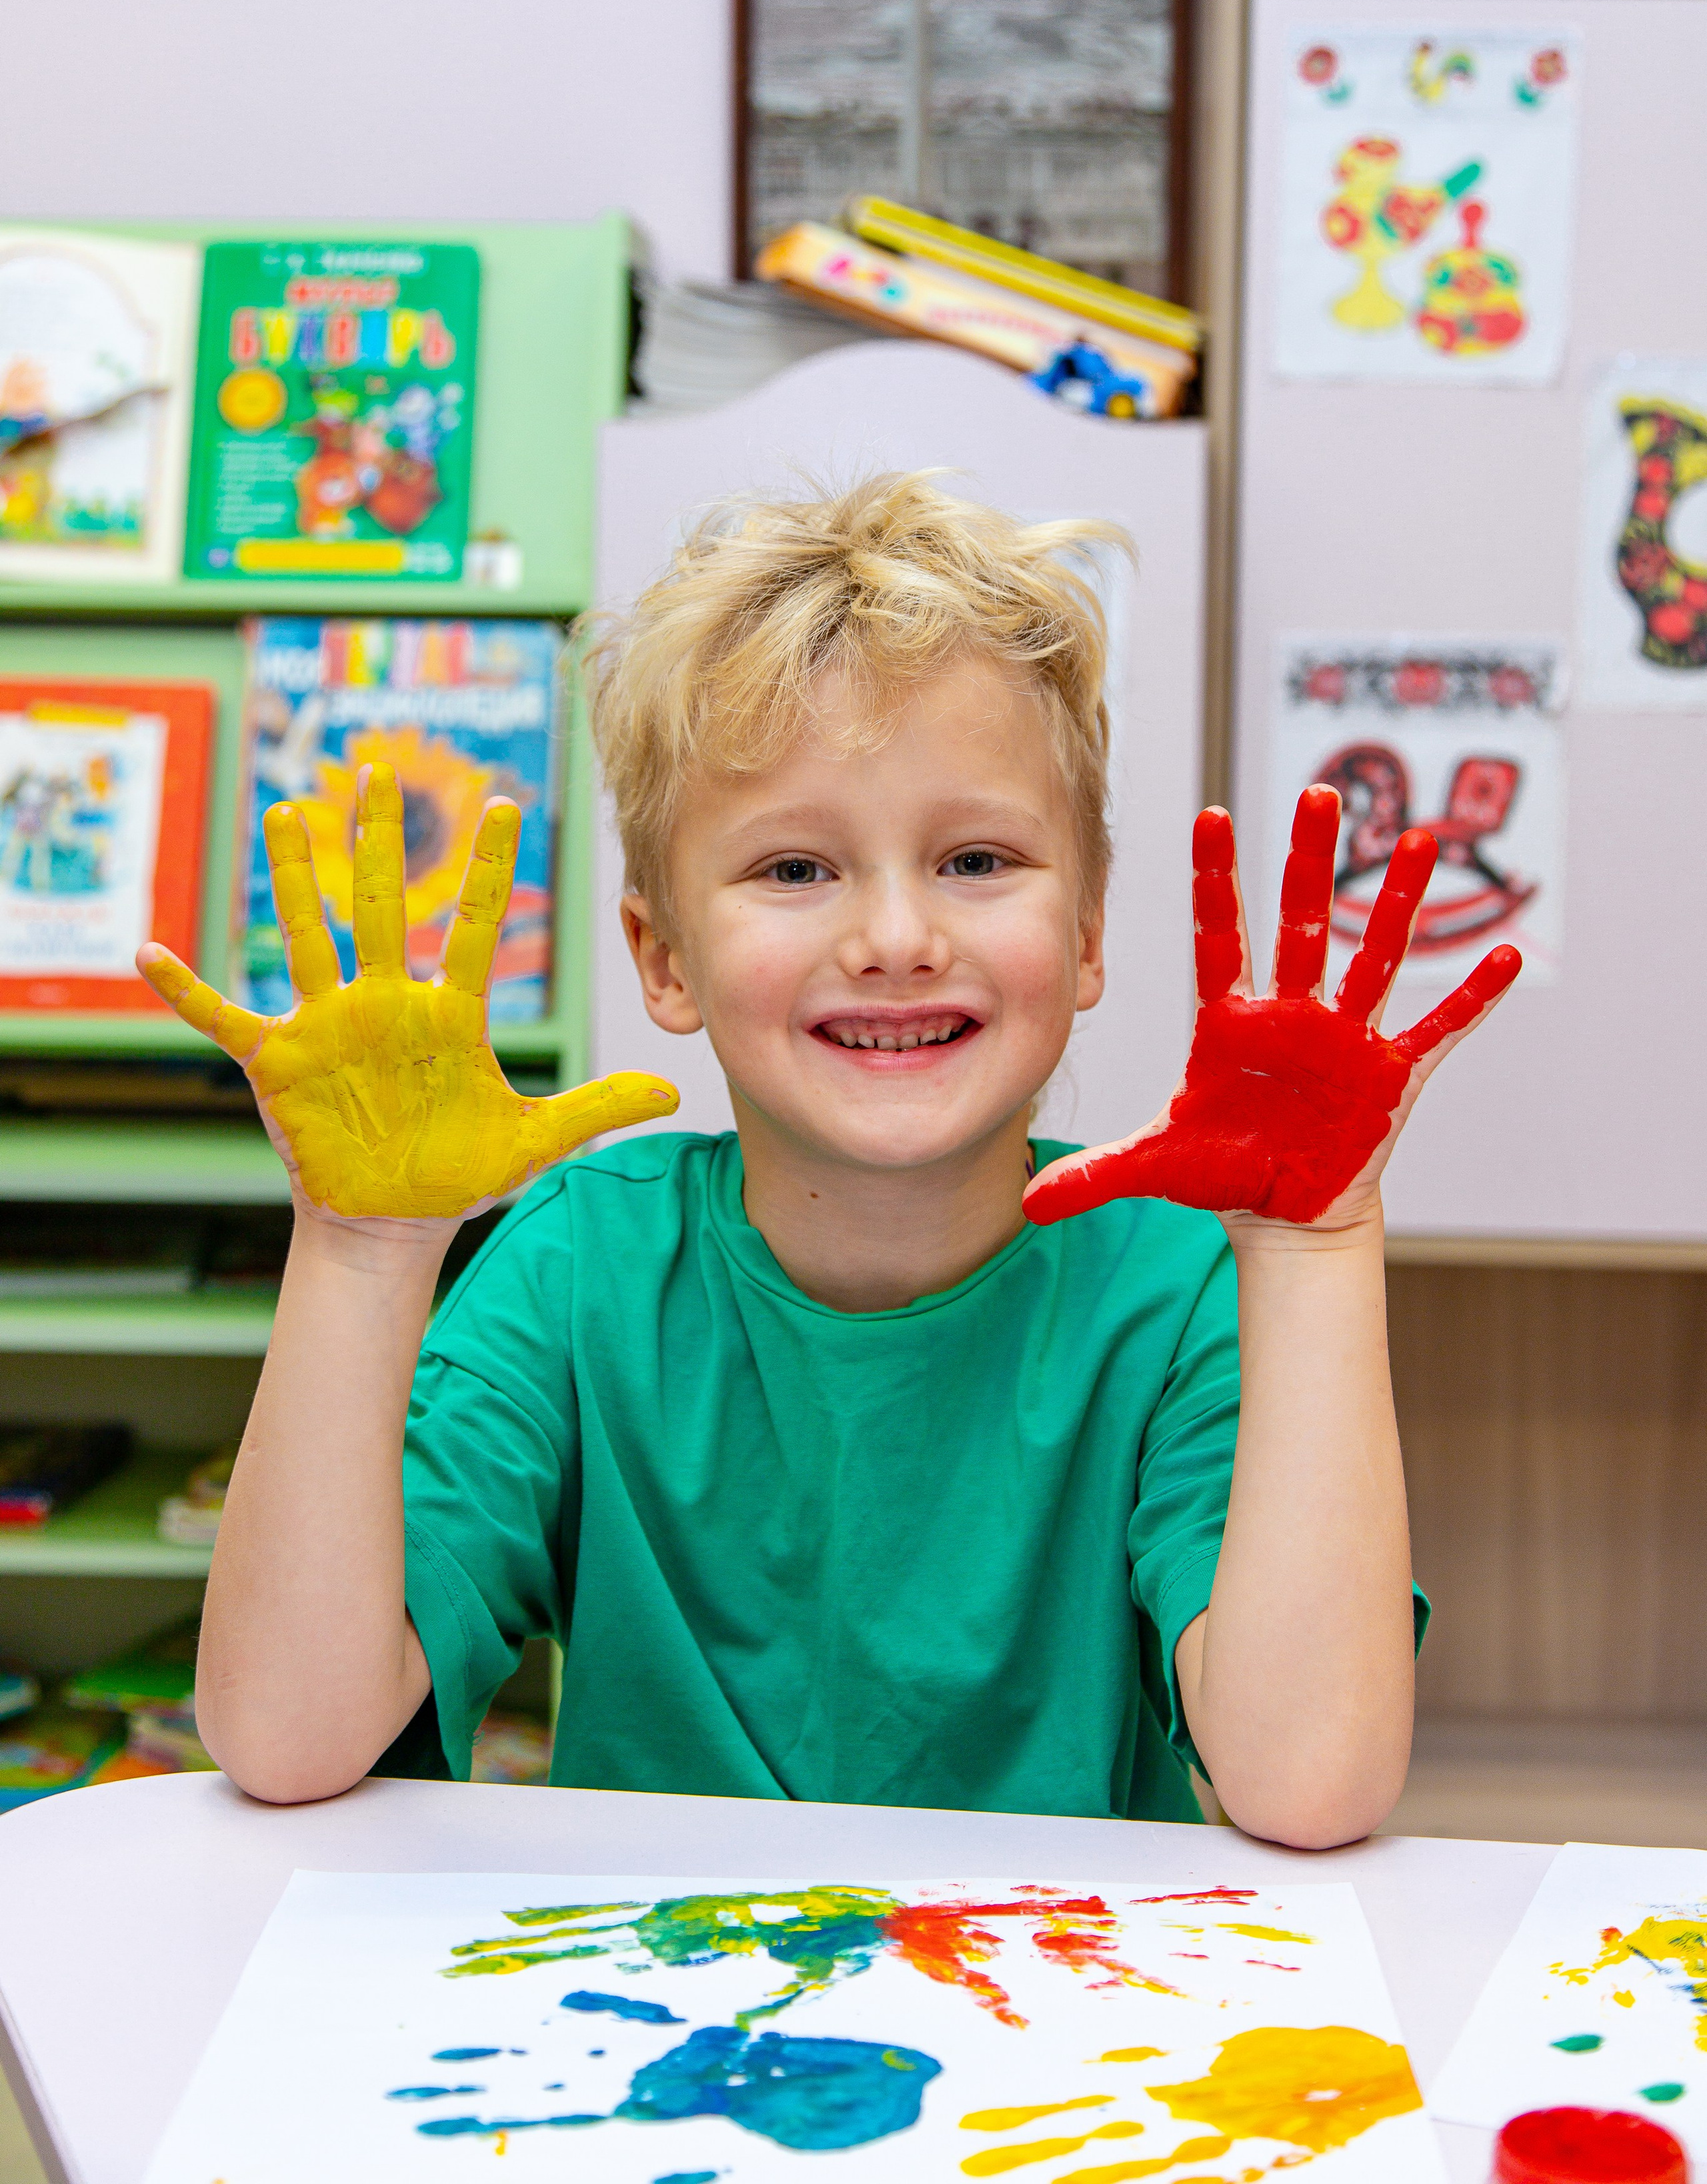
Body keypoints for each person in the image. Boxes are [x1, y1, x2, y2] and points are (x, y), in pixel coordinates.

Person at [141, 475, 1516, 1843]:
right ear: (663, 958)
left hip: (1066, 2025)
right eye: (794, 870)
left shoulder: (1170, 1283)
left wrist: (1316, 1244)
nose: (894, 936)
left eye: (976, 859)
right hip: (652, 2010)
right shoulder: (576, 1262)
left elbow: (1310, 1780)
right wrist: (360, 1247)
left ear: (1089, 933)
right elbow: (285, 1731)